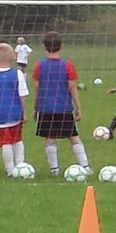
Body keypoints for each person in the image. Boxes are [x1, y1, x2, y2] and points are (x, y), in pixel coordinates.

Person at [32, 31, 90, 176]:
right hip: (63, 108)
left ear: (44, 46)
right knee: (73, 136)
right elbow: (72, 86)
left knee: (50, 138)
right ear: (61, 46)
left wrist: (35, 108)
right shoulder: (67, 65)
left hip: (45, 108)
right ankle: (86, 167)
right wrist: (78, 106)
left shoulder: (39, 65)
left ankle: (54, 170)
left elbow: (37, 87)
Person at [0, 43, 29, 176]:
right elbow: (22, 95)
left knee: (5, 142)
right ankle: (20, 165)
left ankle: (10, 170)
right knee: (18, 140)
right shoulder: (18, 73)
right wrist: (23, 111)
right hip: (15, 113)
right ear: (13, 58)